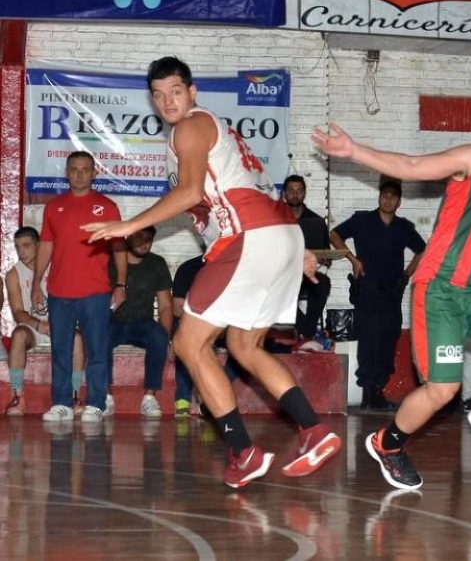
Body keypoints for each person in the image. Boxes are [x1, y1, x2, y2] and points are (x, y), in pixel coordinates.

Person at [83, 56, 340, 488]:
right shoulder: (212, 139)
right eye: (159, 95)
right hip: (274, 234)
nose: (168, 102)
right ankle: (314, 431)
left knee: (188, 342)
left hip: (250, 238)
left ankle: (243, 450)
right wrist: (293, 248)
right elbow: (249, 192)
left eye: (176, 92)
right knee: (243, 345)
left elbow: (187, 194)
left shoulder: (191, 127)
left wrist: (128, 225)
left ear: (193, 92)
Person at [312, 101, 471, 490]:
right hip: (441, 291)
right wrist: (354, 151)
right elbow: (411, 166)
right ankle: (387, 444)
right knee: (444, 389)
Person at [33, 151, 127, 423]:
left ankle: (95, 403)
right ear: (66, 172)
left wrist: (121, 284)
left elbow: (119, 246)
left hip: (95, 293)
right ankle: (61, 403)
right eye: (74, 169)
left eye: (85, 169)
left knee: (97, 350)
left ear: (94, 174)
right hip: (59, 292)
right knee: (60, 351)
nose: (79, 174)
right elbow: (47, 245)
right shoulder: (54, 207)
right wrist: (37, 282)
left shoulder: (107, 206)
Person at [330, 179, 425, 412]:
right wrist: (353, 260)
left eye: (393, 197)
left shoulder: (403, 227)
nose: (388, 199)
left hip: (392, 292)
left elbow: (424, 249)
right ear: (379, 197)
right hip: (367, 290)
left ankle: (379, 392)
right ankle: (367, 394)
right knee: (367, 340)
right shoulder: (362, 220)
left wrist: (407, 274)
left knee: (388, 338)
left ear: (399, 202)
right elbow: (334, 234)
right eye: (385, 195)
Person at [4, 227, 86, 416]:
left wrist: (59, 325)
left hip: (59, 326)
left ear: (38, 245)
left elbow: (71, 302)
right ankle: (18, 397)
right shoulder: (13, 274)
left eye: (26, 246)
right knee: (18, 335)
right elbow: (17, 312)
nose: (21, 251)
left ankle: (74, 396)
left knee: (78, 339)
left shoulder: (57, 266)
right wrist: (39, 325)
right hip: (33, 329)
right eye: (17, 247)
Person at [107, 225, 172, 418]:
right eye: (139, 238)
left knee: (159, 335)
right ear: (128, 237)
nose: (145, 244)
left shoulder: (157, 263)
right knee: (98, 336)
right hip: (114, 321)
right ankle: (105, 396)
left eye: (149, 240)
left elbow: (166, 306)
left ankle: (150, 398)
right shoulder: (111, 262)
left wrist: (166, 337)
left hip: (142, 324)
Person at [172, 253, 242, 418]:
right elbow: (177, 308)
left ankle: (211, 395)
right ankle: (183, 399)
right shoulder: (189, 268)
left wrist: (221, 325)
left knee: (245, 346)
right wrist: (203, 325)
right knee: (185, 341)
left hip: (227, 324)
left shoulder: (237, 267)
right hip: (196, 323)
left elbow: (241, 309)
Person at [282, 174, 332, 340]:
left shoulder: (316, 221)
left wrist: (325, 259)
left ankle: (306, 330)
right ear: (284, 194)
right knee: (277, 291)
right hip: (283, 275)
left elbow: (326, 254)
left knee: (323, 283)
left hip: (307, 273)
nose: (295, 194)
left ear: (304, 193)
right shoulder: (275, 219)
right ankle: (309, 332)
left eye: (299, 190)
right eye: (291, 190)